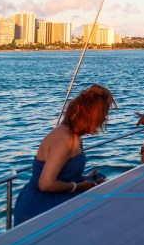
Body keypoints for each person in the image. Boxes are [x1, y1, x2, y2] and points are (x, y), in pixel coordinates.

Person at [14, 84, 116, 225]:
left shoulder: (75, 135)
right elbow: (46, 184)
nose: (104, 119)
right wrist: (79, 186)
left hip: (61, 199)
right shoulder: (64, 139)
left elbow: (62, 174)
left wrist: (85, 180)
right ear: (90, 116)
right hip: (42, 206)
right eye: (102, 115)